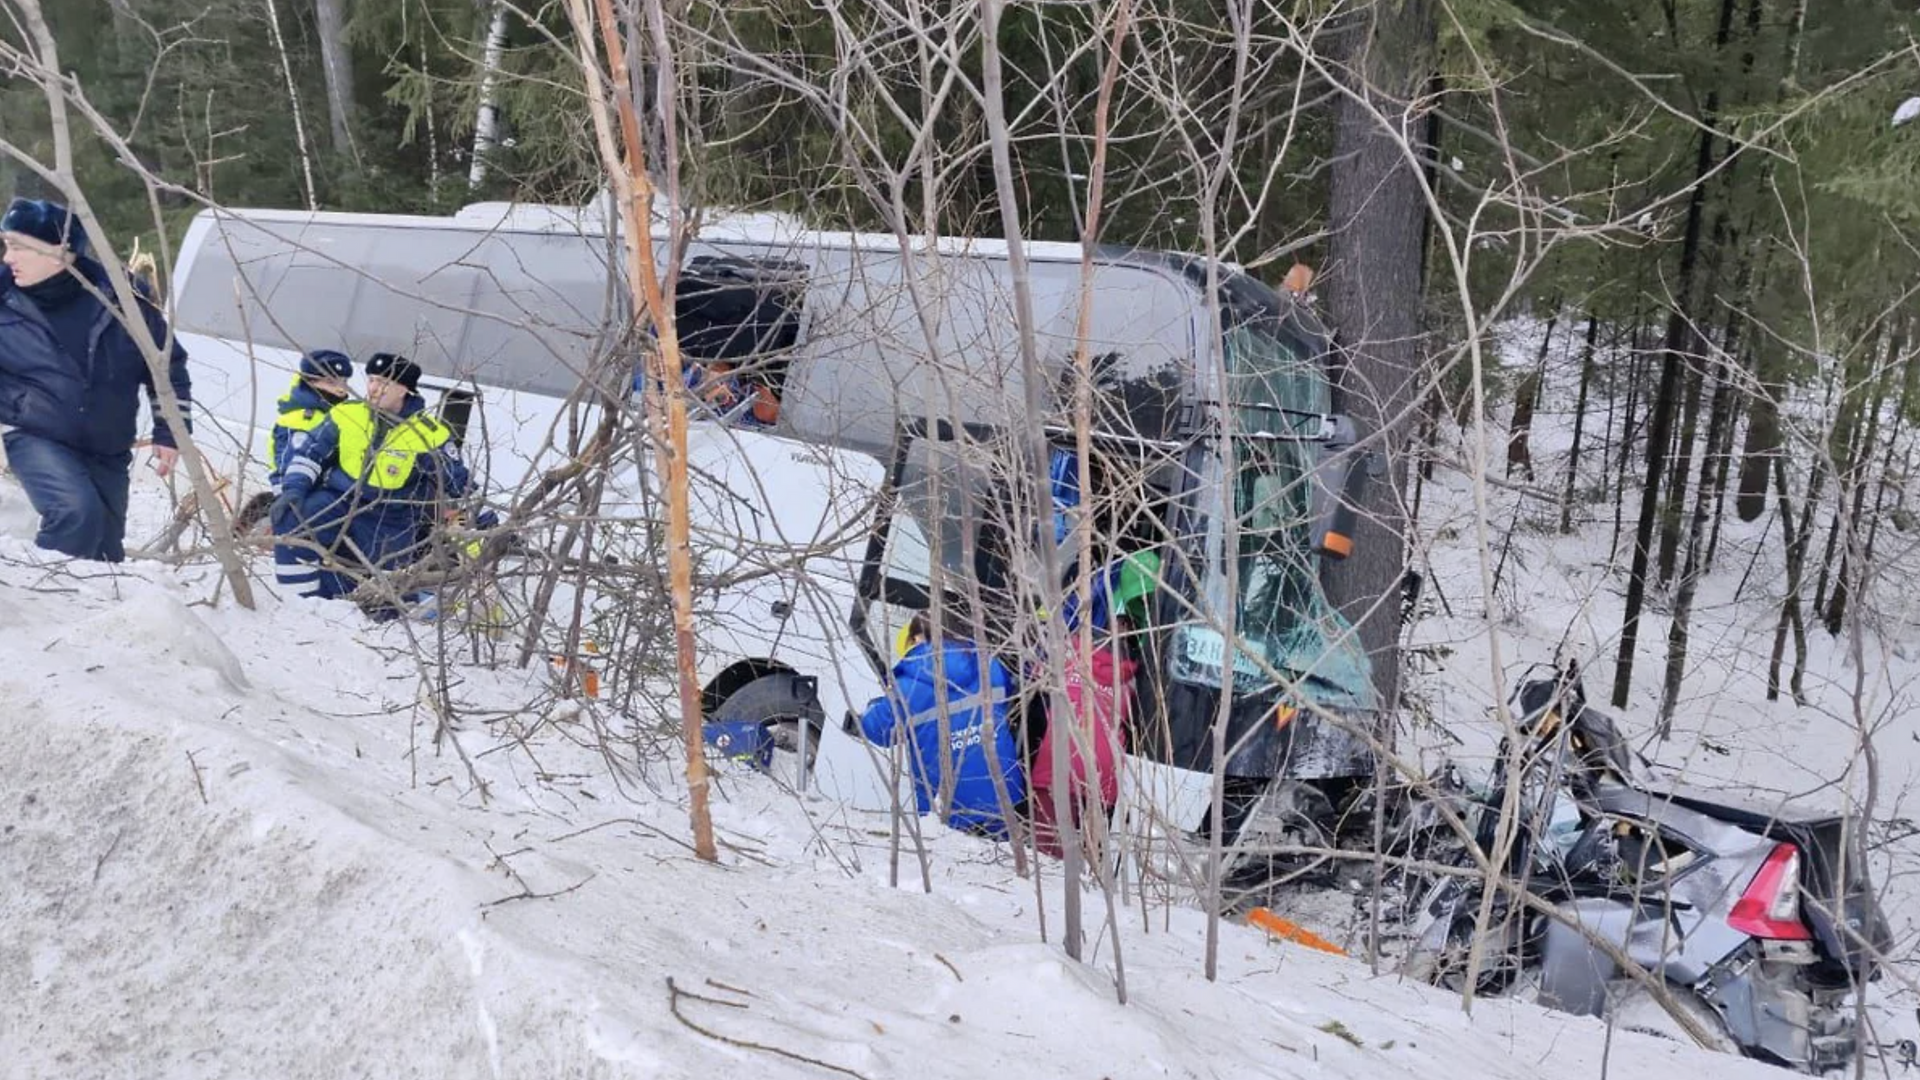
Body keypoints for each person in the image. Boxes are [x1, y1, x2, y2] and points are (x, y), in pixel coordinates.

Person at [0, 197, 192, 562]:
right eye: (6, 245)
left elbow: (167, 366)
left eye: (18, 247)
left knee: (104, 548)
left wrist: (171, 430)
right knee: (75, 513)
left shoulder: (123, 300)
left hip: (108, 446)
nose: (8, 258)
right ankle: (44, 604)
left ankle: (77, 614)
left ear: (60, 251)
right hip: (34, 433)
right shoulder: (3, 298)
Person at [274, 352, 469, 600]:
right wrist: (293, 489)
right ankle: (298, 604)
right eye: (372, 380)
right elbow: (310, 453)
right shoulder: (347, 413)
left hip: (390, 517)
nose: (374, 388)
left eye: (384, 383)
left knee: (386, 595)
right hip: (339, 500)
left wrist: (481, 519)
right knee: (293, 518)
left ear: (403, 390)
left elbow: (457, 482)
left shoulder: (428, 433)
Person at [855, 611, 1025, 839]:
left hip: (949, 807)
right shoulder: (990, 665)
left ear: (916, 639)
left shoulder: (910, 686)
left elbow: (878, 729)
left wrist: (873, 705)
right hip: (1004, 795)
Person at [1030, 618, 1139, 860]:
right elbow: (1134, 727)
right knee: (1090, 859)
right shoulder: (1131, 678)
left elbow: (1034, 698)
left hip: (1057, 761)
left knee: (1046, 856)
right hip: (1103, 774)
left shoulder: (1064, 658)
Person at [267, 349, 354, 594]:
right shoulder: (304, 419)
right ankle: (301, 599)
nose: (341, 389)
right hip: (303, 497)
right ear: (311, 381)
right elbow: (292, 466)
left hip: (323, 496)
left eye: (344, 382)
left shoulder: (331, 412)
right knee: (301, 544)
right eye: (331, 381)